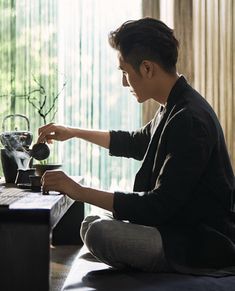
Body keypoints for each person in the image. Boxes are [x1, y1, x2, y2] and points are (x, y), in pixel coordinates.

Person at [38, 18, 235, 275]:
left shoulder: (189, 119)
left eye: (124, 71)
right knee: (90, 224)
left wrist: (78, 190)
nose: (123, 82)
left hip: (195, 244)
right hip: (173, 229)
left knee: (99, 232)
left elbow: (156, 206)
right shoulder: (174, 106)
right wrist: (72, 132)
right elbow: (135, 142)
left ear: (147, 68)